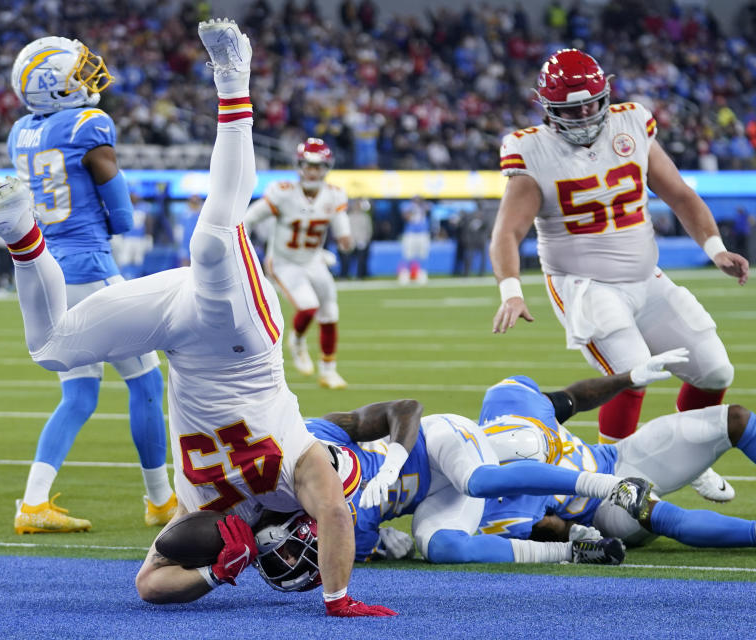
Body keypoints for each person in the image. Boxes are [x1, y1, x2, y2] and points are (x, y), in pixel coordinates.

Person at [0, 19, 393, 617]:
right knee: (212, 237)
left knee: (53, 347)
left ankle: (20, 230)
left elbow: (150, 584)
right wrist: (338, 599)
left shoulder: (202, 509)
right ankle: (234, 79)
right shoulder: (307, 469)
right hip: (241, 337)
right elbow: (335, 510)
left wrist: (225, 565)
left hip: (176, 329)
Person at [488, 49, 749, 496]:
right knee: (632, 372)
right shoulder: (532, 150)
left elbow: (681, 194)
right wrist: (511, 291)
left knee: (715, 371)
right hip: (584, 285)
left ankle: (687, 456)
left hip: (647, 279)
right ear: (549, 108)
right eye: (573, 107)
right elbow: (506, 233)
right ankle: (617, 482)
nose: (587, 113)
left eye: (592, 102)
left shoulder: (631, 123)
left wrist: (716, 248)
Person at [5, 35, 174, 532]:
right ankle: (161, 500)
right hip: (91, 269)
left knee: (78, 396)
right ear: (53, 87)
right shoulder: (88, 125)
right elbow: (121, 217)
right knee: (146, 381)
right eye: (77, 72)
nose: (87, 77)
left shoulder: (20, 132)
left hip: (48, 268)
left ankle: (33, 503)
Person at [303, 387, 660, 566]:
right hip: (432, 497)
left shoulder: (314, 436)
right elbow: (383, 547)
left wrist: (392, 465)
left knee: (478, 480)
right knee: (443, 548)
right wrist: (382, 543)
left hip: (437, 441)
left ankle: (615, 487)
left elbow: (408, 409)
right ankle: (572, 551)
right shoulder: (345, 527)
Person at [477, 363, 756, 552]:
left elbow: (574, 397)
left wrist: (629, 378)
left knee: (735, 419)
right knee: (658, 515)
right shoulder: (502, 509)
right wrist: (576, 535)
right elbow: (558, 529)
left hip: (614, 457)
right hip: (601, 510)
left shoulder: (511, 401)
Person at [243, 137, 353, 389]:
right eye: (308, 165)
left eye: (318, 166)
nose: (313, 171)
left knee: (330, 311)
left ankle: (328, 370)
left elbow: (340, 225)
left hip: (313, 259)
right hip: (284, 262)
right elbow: (249, 218)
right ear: (299, 166)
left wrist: (345, 237)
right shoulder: (283, 193)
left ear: (327, 168)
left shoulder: (334, 195)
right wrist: (245, 249)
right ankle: (297, 341)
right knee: (308, 306)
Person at [397, 196, 430, 284]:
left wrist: (421, 207)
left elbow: (429, 208)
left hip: (422, 233)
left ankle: (421, 274)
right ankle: (404, 275)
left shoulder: (424, 206)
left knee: (423, 255)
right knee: (407, 255)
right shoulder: (407, 206)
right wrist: (412, 210)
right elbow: (405, 216)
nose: (417, 201)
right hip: (410, 233)